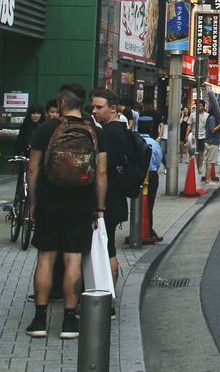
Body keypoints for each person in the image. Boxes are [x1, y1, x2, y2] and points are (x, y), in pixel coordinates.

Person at [26, 85, 107, 340]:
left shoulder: (46, 129)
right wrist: (100, 207)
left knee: (46, 259)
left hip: (49, 201)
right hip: (81, 202)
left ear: (61, 102)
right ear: (82, 104)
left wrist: (32, 202)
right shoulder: (94, 130)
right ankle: (70, 321)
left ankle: (40, 319)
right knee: (73, 259)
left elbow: (33, 168)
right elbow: (101, 173)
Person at [90, 89, 129, 289]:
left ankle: (109, 297)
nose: (94, 111)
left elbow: (101, 169)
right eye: (93, 107)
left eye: (99, 107)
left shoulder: (109, 133)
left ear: (112, 109)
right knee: (108, 245)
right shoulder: (117, 129)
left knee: (108, 247)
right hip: (114, 197)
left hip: (108, 198)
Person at [138, 131, 164, 242]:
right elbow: (158, 161)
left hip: (138, 175)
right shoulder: (154, 143)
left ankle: (136, 228)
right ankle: (148, 229)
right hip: (152, 175)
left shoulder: (136, 141)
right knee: (149, 203)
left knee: (137, 203)